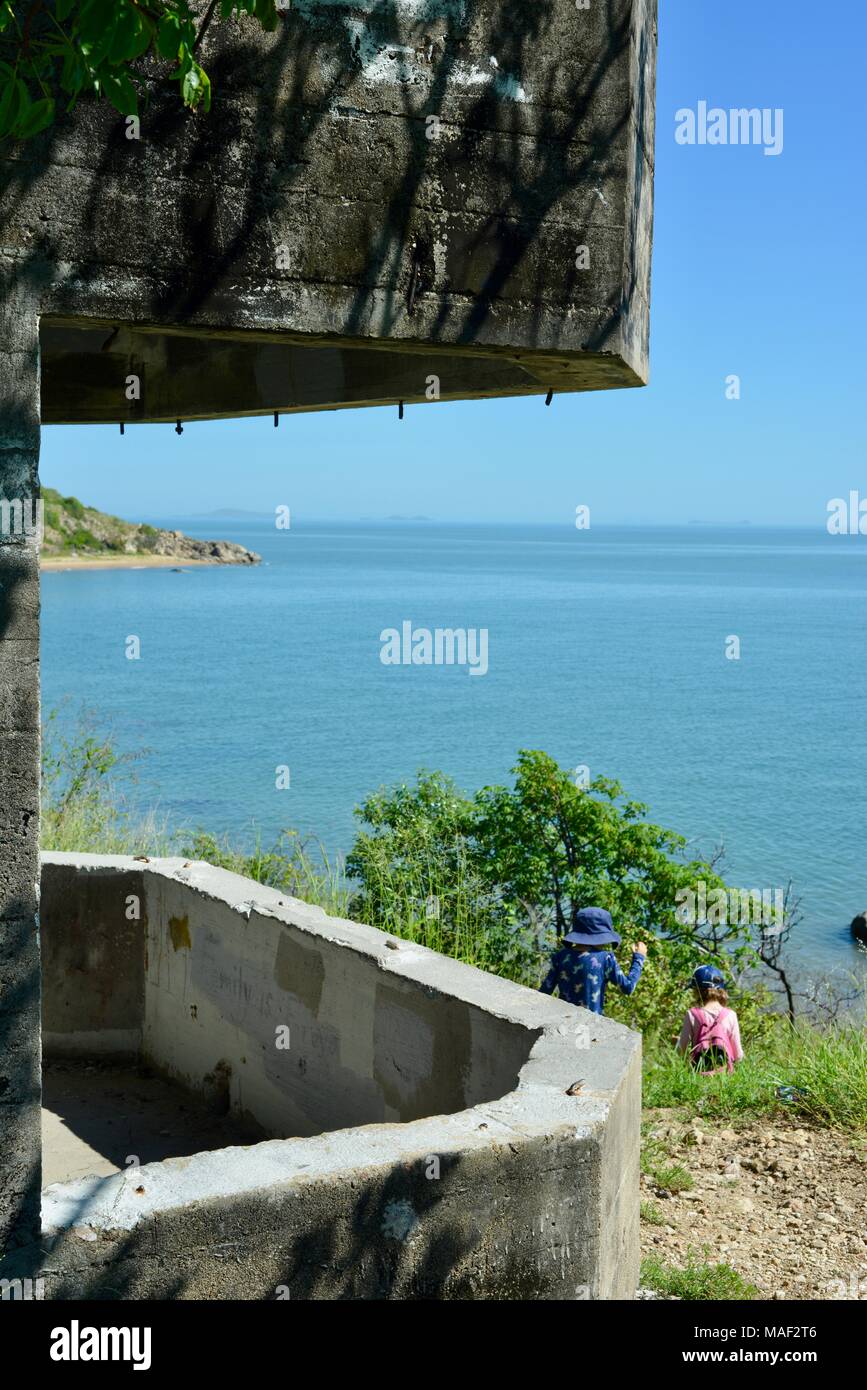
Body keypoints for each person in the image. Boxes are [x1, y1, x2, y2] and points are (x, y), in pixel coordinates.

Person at [539, 906, 647, 1016]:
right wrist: (639, 958)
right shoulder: (605, 959)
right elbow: (628, 987)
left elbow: (545, 991)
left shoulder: (561, 956)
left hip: (563, 1021)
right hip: (591, 1026)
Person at [676, 964, 743, 1073]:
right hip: (725, 1078)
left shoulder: (692, 1014)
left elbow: (681, 1051)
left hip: (699, 1076)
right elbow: (738, 1055)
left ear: (697, 990)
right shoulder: (731, 1015)